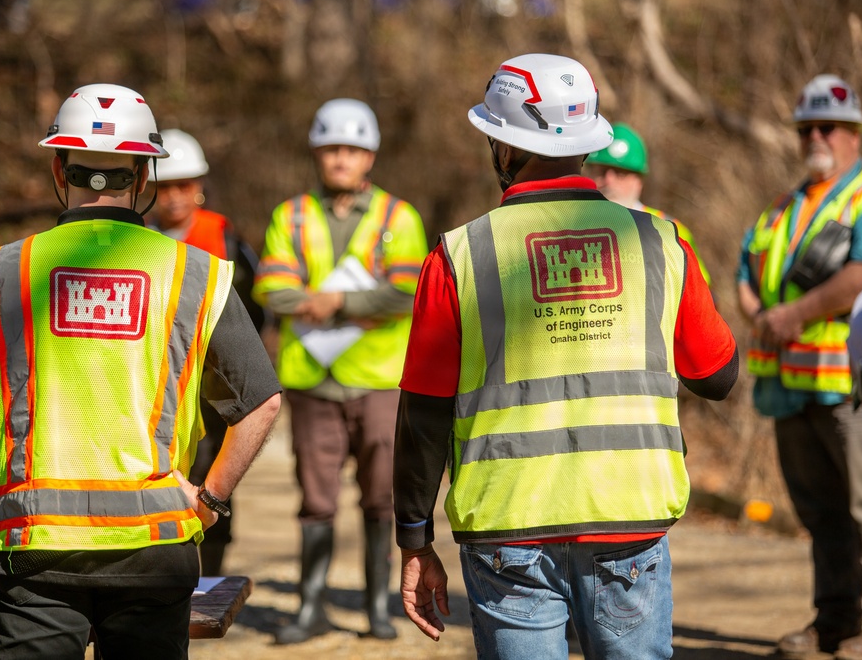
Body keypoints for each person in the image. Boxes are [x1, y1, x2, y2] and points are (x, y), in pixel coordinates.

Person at [393, 54, 738, 660]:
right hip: (628, 515)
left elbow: (424, 412)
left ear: (504, 146)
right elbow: (716, 375)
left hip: (508, 524)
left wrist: (414, 539)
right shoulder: (660, 242)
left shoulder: (457, 256)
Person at [0, 83, 282, 660]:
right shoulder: (194, 274)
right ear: (145, 177)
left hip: (32, 545)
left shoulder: (3, 271)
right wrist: (210, 501)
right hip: (155, 546)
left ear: (59, 169)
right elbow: (261, 402)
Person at [253, 97, 428, 643]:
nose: (340, 159)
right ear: (317, 153)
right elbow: (270, 288)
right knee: (316, 501)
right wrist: (327, 299)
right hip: (312, 383)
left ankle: (379, 607)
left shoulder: (399, 218)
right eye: (331, 149)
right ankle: (310, 609)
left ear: (369, 156)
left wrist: (335, 303)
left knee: (381, 498)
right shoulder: (292, 215)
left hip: (379, 381)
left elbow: (409, 292)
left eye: (351, 150)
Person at [738, 73, 862, 660]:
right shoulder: (781, 207)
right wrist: (759, 313)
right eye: (806, 128)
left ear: (854, 134)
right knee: (821, 514)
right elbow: (746, 270)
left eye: (828, 127)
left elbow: (861, 274)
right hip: (789, 387)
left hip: (852, 385)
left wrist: (793, 313)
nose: (815, 136)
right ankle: (835, 621)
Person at [145, 127, 268, 576]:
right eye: (165, 186)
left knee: (212, 478)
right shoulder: (132, 240)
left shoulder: (228, 242)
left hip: (212, 392)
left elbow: (256, 312)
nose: (175, 196)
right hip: (154, 387)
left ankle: (209, 576)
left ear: (199, 187)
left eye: (184, 184)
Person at [585, 122, 712, 285]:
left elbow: (700, 293)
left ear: (639, 181)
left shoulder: (671, 230)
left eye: (620, 173)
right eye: (601, 171)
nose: (609, 181)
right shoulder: (570, 227)